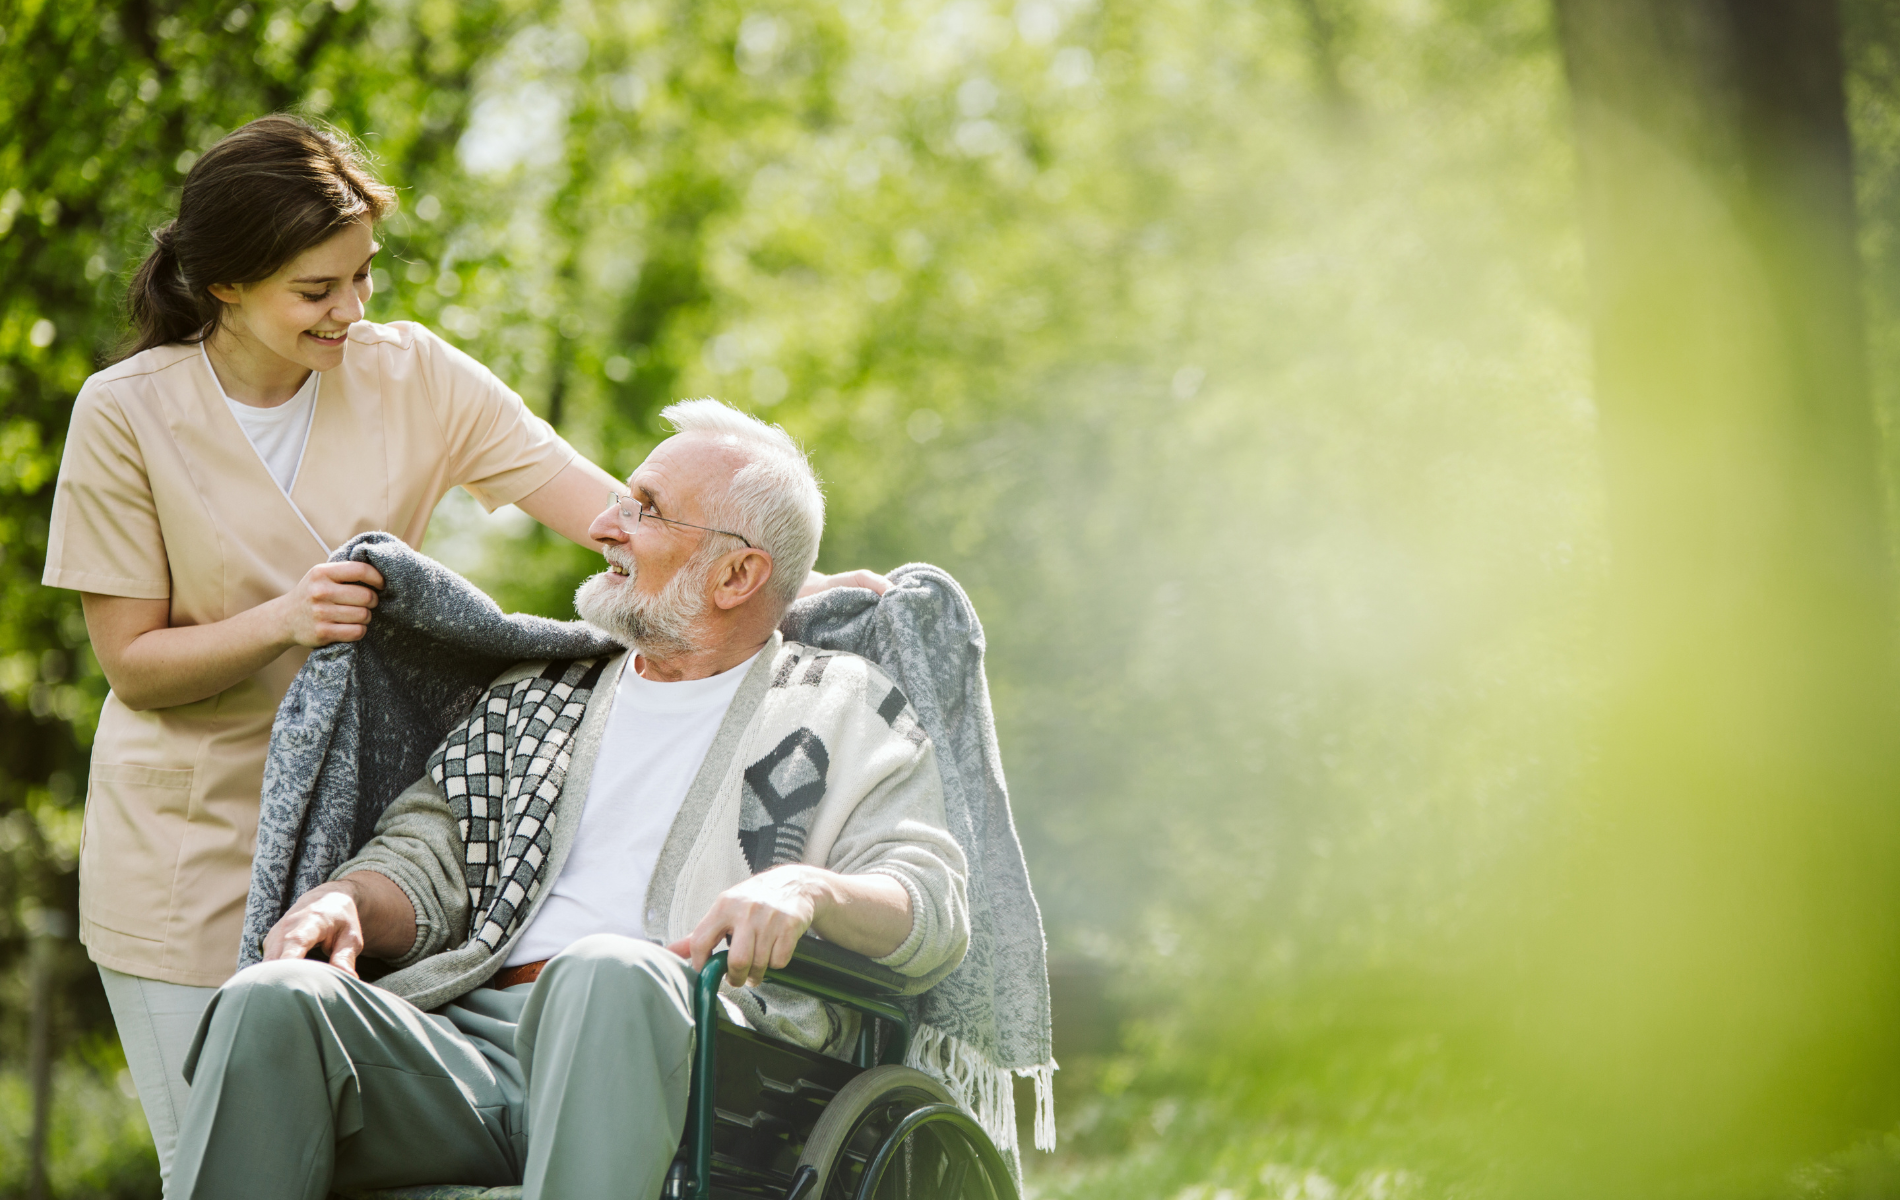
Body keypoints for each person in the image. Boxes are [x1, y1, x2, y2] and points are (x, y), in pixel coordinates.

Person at [39, 115, 882, 1192]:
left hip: (369, 830)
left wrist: (785, 579)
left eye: (362, 279)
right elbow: (134, 664)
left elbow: (613, 515)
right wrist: (286, 621)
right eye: (316, 291)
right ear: (225, 285)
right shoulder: (125, 414)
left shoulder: (415, 377)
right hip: (189, 843)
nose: (350, 312)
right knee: (213, 1155)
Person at [170, 399, 969, 1200]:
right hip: (471, 1048)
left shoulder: (839, 706)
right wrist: (346, 899)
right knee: (275, 1002)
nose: (606, 527)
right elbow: (424, 860)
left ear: (736, 575)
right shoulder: (540, 698)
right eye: (622, 500)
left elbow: (930, 903)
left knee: (605, 971)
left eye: (645, 511)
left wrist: (807, 889)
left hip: (703, 1058)